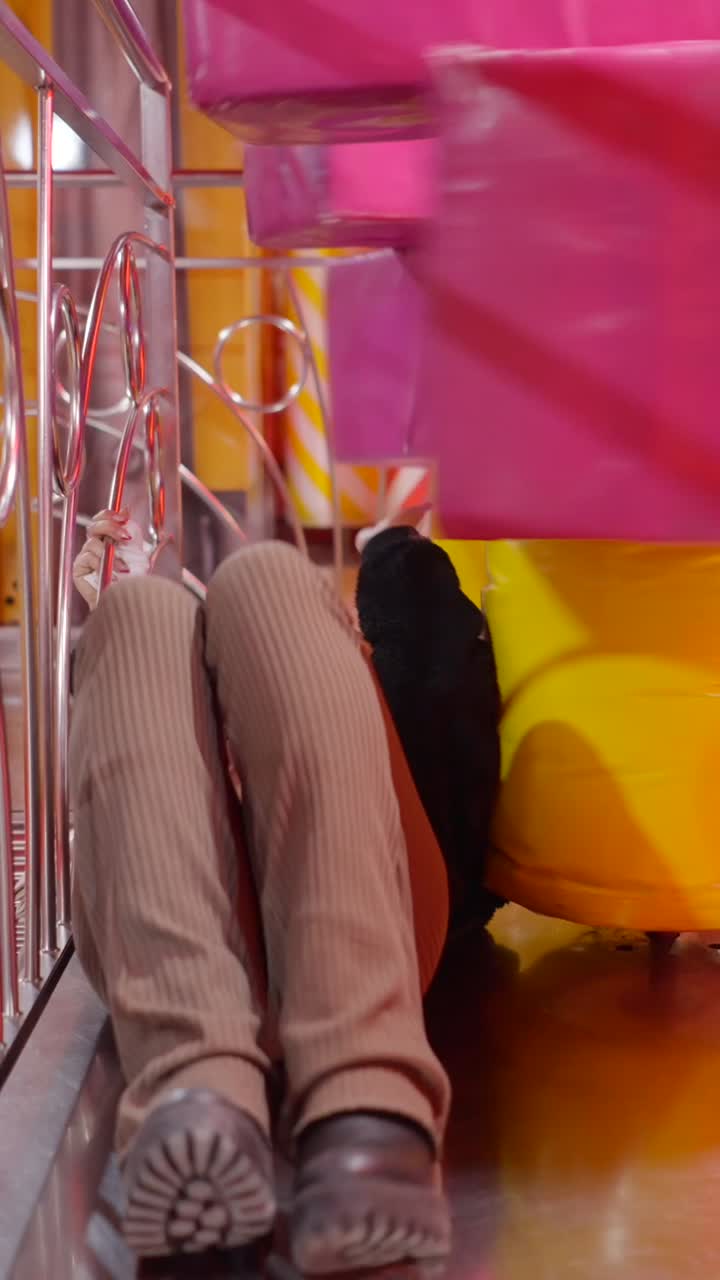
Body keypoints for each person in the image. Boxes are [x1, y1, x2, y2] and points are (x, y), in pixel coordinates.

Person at [70, 510, 453, 1270]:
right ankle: (365, 1113)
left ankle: (195, 1089)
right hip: (368, 928)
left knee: (166, 607)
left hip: (213, 936)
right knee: (223, 591)